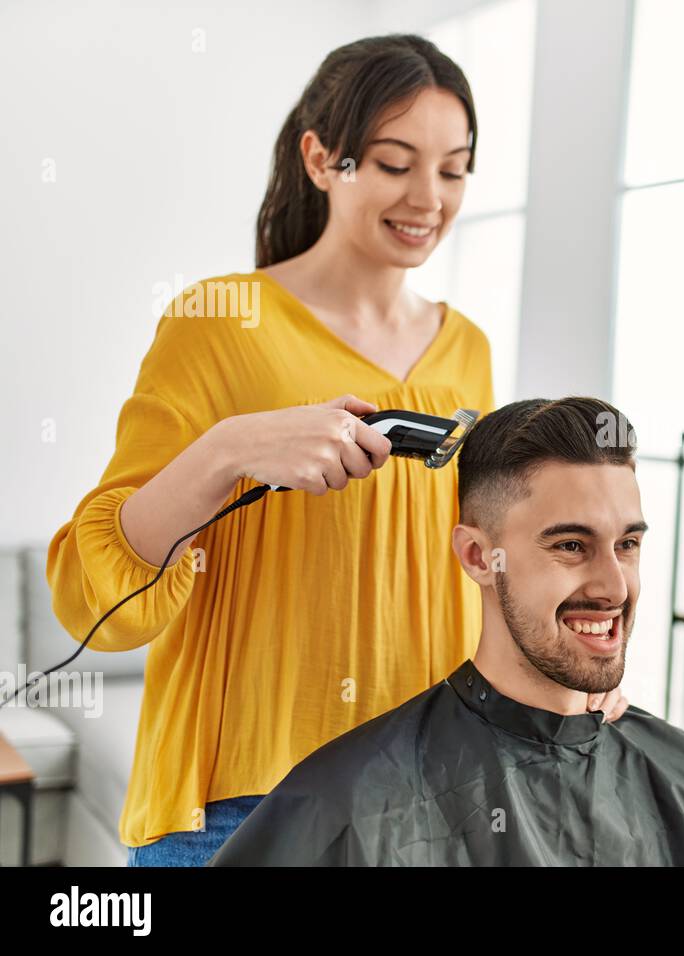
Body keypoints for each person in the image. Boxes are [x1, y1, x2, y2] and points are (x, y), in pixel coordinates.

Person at [44, 34, 627, 868]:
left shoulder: (466, 349)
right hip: (242, 806)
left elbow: (487, 564)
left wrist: (569, 682)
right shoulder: (217, 321)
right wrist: (230, 448)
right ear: (322, 159)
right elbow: (93, 601)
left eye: (454, 169)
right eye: (394, 163)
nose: (428, 196)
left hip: (431, 799)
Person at [207, 397, 684, 866]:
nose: (614, 587)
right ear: (478, 556)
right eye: (571, 546)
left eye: (627, 544)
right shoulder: (348, 801)